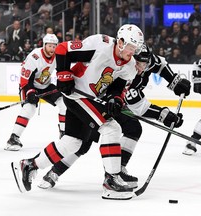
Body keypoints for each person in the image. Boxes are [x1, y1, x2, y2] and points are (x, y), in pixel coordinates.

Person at [11, 24, 145, 200]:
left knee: (73, 142)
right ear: (120, 42)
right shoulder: (100, 44)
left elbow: (118, 88)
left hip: (89, 98)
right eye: (130, 47)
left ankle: (30, 165)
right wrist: (63, 74)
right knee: (111, 128)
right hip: (77, 95)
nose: (132, 52)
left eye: (135, 49)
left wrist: (115, 99)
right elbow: (62, 49)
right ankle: (111, 181)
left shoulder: (130, 66)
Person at [37, 44, 191, 190]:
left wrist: (174, 81)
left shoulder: (146, 61)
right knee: (84, 142)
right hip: (98, 102)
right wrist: (163, 115)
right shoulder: (127, 70)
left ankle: (118, 171)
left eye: (144, 63)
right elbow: (138, 106)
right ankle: (54, 172)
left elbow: (160, 64)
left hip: (113, 104)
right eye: (138, 62)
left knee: (133, 128)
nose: (141, 68)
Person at [5, 33, 66, 151]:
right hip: (29, 85)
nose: (52, 49)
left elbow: (61, 71)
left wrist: (63, 84)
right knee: (29, 109)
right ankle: (13, 138)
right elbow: (25, 79)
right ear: (44, 45)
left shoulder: (57, 56)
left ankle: (64, 133)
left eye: (54, 46)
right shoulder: (34, 57)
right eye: (49, 46)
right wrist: (30, 92)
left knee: (63, 103)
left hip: (45, 85)